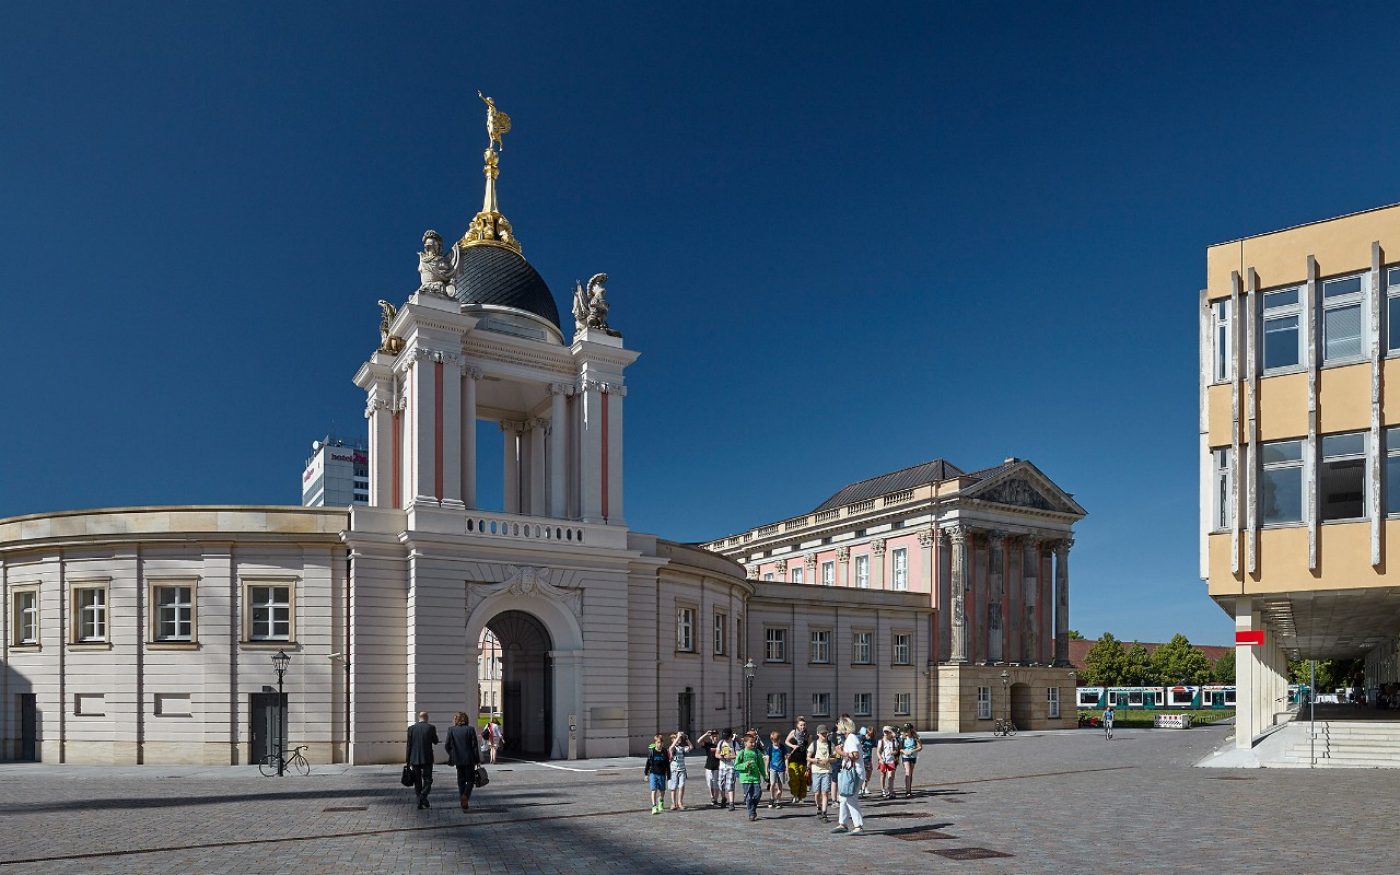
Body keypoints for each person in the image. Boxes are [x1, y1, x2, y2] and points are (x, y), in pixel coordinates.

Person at [832, 716, 865, 835]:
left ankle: (858, 825)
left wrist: (841, 753)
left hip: (854, 773)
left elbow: (855, 755)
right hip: (850, 772)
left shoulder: (851, 738)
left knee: (850, 798)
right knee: (843, 797)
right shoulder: (849, 738)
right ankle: (843, 823)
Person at [444, 711, 481, 811]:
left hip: (458, 759)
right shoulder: (470, 729)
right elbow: (474, 746)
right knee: (470, 780)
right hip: (469, 759)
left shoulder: (451, 730)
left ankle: (462, 798)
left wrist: (452, 754)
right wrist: (477, 759)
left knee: (460, 780)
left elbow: (447, 745)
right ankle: (465, 796)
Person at [405, 711, 439, 810]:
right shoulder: (431, 728)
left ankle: (420, 800)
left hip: (414, 758)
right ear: (426, 718)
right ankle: (423, 796)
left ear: (419, 718)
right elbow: (436, 741)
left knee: (417, 780)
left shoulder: (411, 729)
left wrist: (407, 760)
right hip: (427, 758)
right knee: (428, 780)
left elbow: (409, 746)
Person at [808, 724, 836, 823]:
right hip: (816, 771)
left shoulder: (830, 744)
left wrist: (828, 759)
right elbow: (808, 757)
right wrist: (815, 760)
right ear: (818, 734)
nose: (824, 735)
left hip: (827, 771)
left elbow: (835, 758)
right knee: (817, 793)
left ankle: (824, 813)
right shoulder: (814, 744)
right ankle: (818, 807)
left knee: (825, 792)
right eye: (822, 733)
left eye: (825, 733)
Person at [734, 733, 766, 821]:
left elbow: (761, 766)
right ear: (745, 743)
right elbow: (736, 766)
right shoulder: (742, 753)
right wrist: (745, 765)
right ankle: (751, 813)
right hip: (746, 778)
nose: (753, 744)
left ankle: (752, 808)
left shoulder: (757, 752)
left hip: (755, 778)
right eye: (751, 742)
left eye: (754, 742)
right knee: (748, 796)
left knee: (758, 794)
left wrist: (765, 775)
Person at [784, 717, 810, 805]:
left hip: (803, 758)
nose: (803, 726)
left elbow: (809, 748)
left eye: (804, 725)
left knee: (803, 778)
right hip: (793, 757)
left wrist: (809, 760)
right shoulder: (793, 732)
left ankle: (801, 796)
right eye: (801, 725)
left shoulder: (807, 735)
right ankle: (795, 795)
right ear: (797, 725)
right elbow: (786, 741)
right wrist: (793, 746)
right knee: (794, 778)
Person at [644, 733, 670, 814]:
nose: (660, 744)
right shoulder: (652, 751)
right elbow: (648, 763)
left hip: (662, 774)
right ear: (655, 743)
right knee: (653, 789)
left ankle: (661, 800)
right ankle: (654, 806)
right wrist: (646, 774)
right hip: (653, 773)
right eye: (658, 742)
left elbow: (667, 764)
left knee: (662, 790)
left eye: (661, 742)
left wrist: (668, 774)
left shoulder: (665, 751)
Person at [696, 729, 722, 806]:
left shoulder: (721, 744)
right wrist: (706, 734)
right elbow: (698, 741)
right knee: (710, 784)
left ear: (718, 736)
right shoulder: (708, 745)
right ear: (711, 737)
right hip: (709, 766)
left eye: (716, 735)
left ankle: (715, 799)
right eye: (713, 736)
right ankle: (712, 797)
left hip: (718, 766)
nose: (715, 737)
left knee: (716, 784)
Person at [716, 729, 739, 811]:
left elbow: (738, 755)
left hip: (731, 767)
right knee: (720, 785)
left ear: (730, 736)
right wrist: (721, 756)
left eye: (727, 737)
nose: (725, 739)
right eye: (724, 737)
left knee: (730, 785)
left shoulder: (734, 743)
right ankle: (723, 798)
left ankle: (731, 803)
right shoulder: (721, 743)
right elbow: (716, 754)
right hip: (722, 767)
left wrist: (731, 757)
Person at [667, 732, 691, 811]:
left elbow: (691, 747)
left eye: (678, 739)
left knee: (681, 786)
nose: (677, 740)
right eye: (675, 739)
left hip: (682, 770)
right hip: (673, 770)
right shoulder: (672, 748)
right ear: (672, 740)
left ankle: (680, 802)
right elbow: (671, 748)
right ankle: (673, 803)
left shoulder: (682, 748)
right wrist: (678, 737)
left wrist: (687, 739)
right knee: (673, 787)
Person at [899, 723, 924, 798]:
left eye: (907, 730)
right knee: (908, 772)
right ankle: (907, 791)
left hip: (913, 756)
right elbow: (899, 748)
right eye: (905, 730)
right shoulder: (902, 738)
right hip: (905, 756)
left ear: (911, 730)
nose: (906, 732)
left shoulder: (916, 737)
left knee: (911, 773)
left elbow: (920, 747)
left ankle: (909, 788)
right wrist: (904, 752)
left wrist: (912, 751)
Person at [765, 730, 787, 808]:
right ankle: (772, 798)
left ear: (779, 740)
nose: (776, 743)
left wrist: (787, 769)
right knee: (772, 784)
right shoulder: (770, 748)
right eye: (774, 742)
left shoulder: (782, 747)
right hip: (773, 768)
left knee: (780, 786)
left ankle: (778, 800)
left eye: (777, 741)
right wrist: (766, 769)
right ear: (771, 740)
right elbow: (767, 759)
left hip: (781, 769)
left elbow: (785, 758)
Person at [876, 726, 898, 798]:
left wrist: (893, 752)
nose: (885, 733)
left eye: (887, 732)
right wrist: (880, 759)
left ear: (890, 733)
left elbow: (896, 751)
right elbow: (878, 752)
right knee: (883, 775)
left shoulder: (894, 741)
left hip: (891, 760)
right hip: (883, 761)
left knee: (890, 776)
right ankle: (883, 790)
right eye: (884, 732)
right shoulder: (881, 741)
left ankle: (890, 791)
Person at [858, 727, 874, 797]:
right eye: (868, 735)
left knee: (868, 774)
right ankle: (861, 789)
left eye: (871, 735)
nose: (869, 737)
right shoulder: (862, 739)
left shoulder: (872, 741)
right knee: (861, 774)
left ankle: (865, 787)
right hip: (862, 759)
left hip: (868, 759)